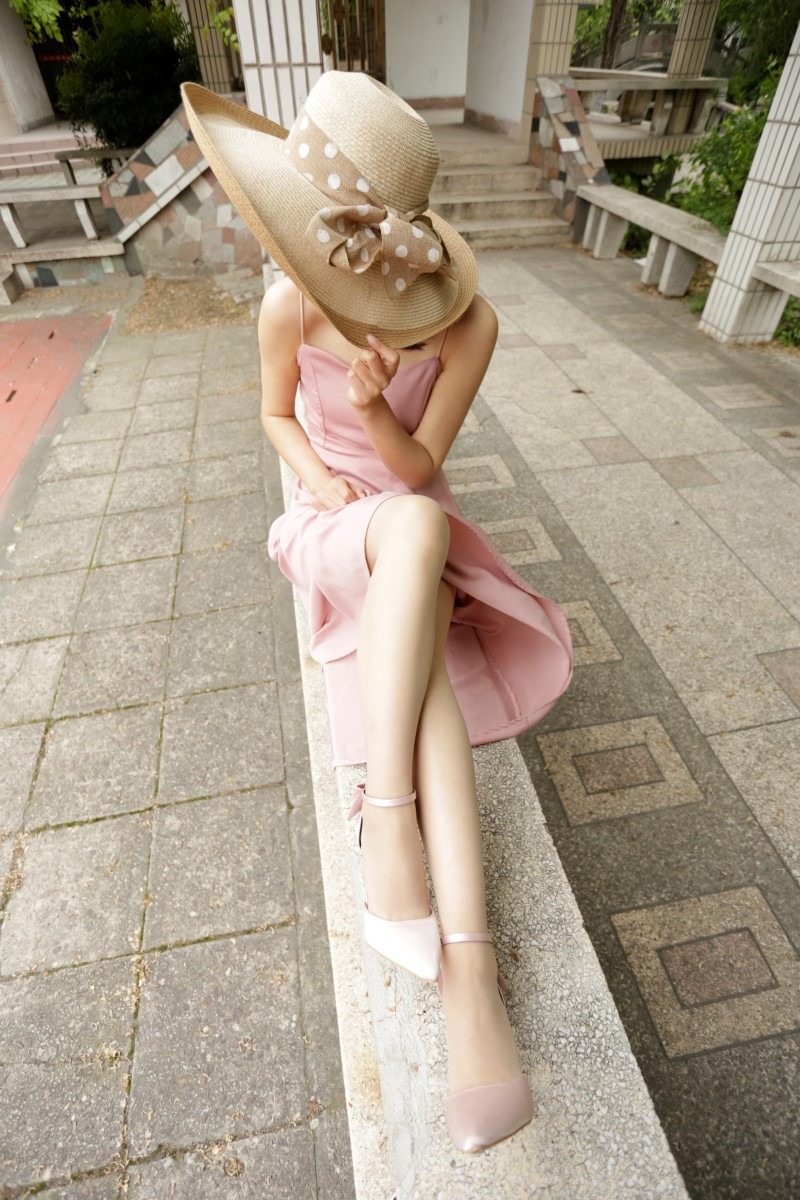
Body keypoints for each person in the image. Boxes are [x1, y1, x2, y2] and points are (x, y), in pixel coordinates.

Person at [181, 71, 573, 1155]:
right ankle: (464, 969)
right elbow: (274, 416)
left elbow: (418, 466)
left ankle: (431, 908)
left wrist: (371, 409)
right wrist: (320, 474)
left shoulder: (469, 322)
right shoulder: (288, 302)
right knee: (410, 540)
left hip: (412, 523)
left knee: (420, 551)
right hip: (334, 529)